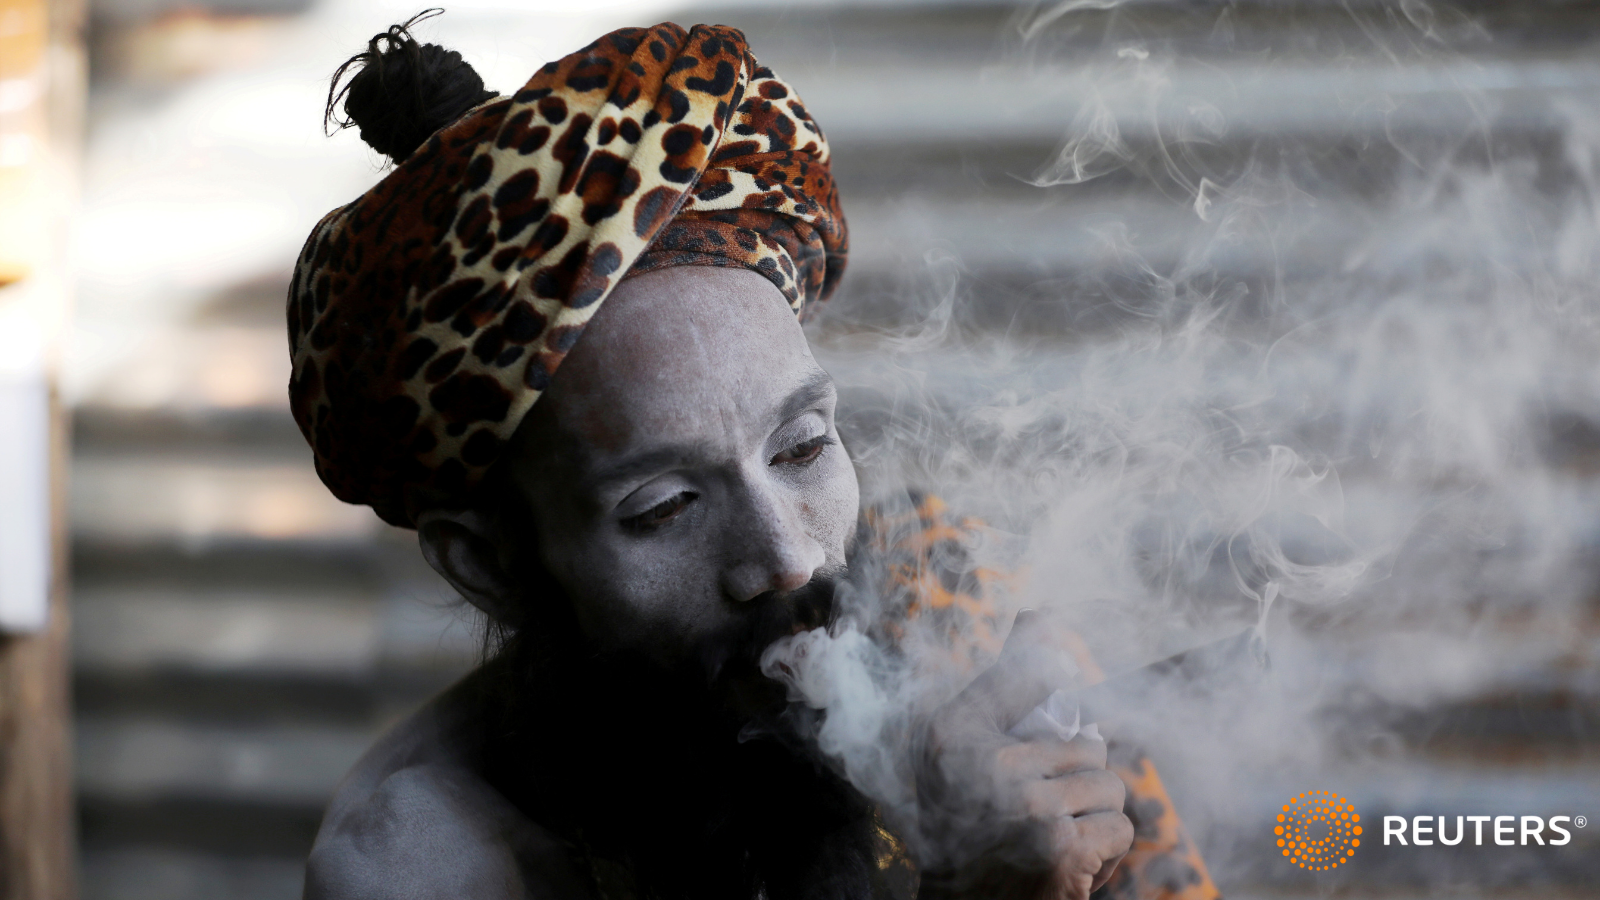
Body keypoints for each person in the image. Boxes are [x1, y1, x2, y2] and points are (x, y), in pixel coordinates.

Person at [289, 13, 1212, 900]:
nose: (788, 558)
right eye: (664, 508)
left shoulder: (948, 606)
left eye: (804, 447)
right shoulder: (426, 863)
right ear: (492, 562)